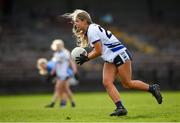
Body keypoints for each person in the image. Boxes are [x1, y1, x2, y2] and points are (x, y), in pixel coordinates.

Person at [63, 9, 163, 116]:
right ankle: (120, 108)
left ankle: (152, 88)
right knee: (107, 82)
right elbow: (98, 50)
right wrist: (86, 57)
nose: (75, 24)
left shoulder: (91, 30)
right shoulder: (91, 29)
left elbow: (98, 51)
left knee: (127, 83)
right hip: (111, 57)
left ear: (85, 21)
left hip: (119, 54)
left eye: (77, 21)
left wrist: (86, 58)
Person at [37, 39, 77, 108]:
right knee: (66, 89)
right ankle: (72, 103)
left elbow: (70, 61)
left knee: (58, 88)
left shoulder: (65, 52)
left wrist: (74, 69)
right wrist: (53, 70)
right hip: (60, 74)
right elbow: (56, 64)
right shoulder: (56, 54)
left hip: (64, 74)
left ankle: (53, 103)